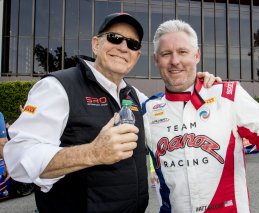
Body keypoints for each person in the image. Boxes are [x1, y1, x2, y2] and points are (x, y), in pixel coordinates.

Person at [3, 13, 219, 213]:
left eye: (132, 44)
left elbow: (173, 105)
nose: (124, 47)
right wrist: (93, 153)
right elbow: (19, 158)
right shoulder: (58, 87)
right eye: (115, 38)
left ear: (137, 55)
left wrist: (197, 83)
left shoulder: (135, 96)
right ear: (96, 44)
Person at [142, 19, 259, 213]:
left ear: (197, 55)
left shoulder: (228, 95)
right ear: (155, 59)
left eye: (183, 52)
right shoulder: (148, 110)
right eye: (166, 54)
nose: (175, 61)